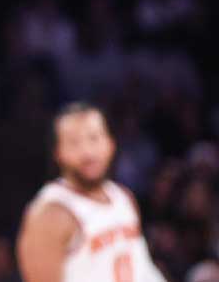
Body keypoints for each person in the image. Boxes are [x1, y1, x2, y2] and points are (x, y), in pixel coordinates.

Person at [17, 103, 165, 282]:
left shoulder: (123, 197)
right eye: (74, 142)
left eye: (94, 138)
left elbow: (143, 269)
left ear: (110, 143)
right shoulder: (49, 213)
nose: (87, 152)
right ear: (58, 153)